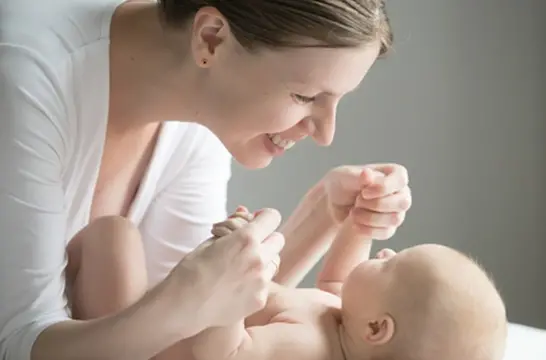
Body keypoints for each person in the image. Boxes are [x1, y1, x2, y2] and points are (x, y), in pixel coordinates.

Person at [0, 0, 412, 359]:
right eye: (305, 97)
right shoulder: (27, 81)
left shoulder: (200, 120)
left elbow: (193, 335)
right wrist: (182, 302)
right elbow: (19, 344)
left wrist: (325, 211)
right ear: (211, 38)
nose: (326, 135)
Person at [76, 195, 506, 360]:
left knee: (113, 236)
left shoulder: (304, 347)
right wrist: (359, 227)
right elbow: (336, 285)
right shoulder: (344, 323)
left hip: (135, 350)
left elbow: (222, 357)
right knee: (115, 242)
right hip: (160, 325)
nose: (388, 251)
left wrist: (233, 293)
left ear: (378, 327)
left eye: (391, 262)